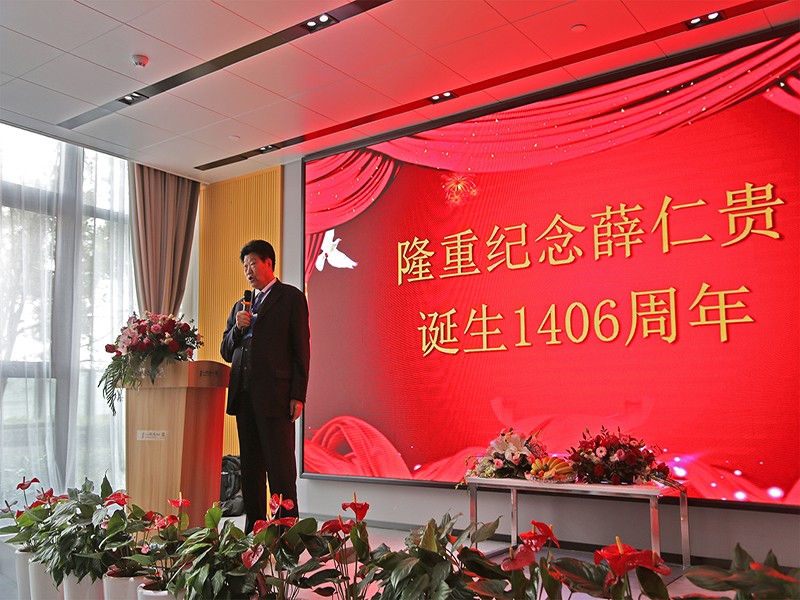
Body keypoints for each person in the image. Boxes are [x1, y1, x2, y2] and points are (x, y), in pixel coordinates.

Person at [220, 239, 310, 532]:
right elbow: (225, 350)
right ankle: (255, 528)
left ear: (268, 263)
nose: (248, 270)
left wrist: (297, 395)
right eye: (244, 266)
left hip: (275, 397)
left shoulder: (290, 298)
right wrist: (237, 328)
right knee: (251, 469)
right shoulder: (240, 306)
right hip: (244, 397)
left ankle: (286, 531)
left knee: (280, 469)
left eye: (253, 264)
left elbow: (301, 350)